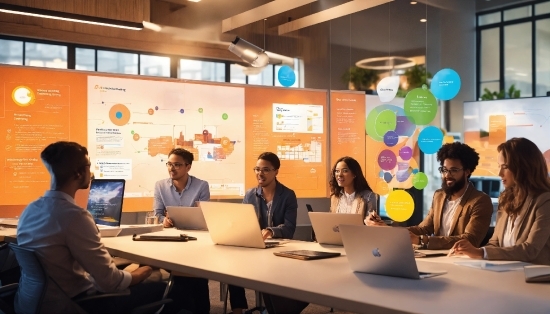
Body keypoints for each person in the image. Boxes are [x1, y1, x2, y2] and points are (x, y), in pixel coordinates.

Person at [16, 141, 165, 313]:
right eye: (89, 165)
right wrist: (142, 271)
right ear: (78, 173)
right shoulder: (74, 216)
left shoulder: (31, 209)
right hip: (74, 304)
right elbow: (110, 282)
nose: (92, 171)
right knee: (171, 286)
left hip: (32, 302)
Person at [367, 142, 493, 250]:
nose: (447, 175)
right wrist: (386, 228)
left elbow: (470, 239)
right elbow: (423, 228)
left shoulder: (480, 201)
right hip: (437, 258)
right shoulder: (439, 196)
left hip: (462, 261)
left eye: (453, 170)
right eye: (444, 170)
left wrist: (423, 241)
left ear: (467, 171)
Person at [450, 138, 550, 265]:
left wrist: (481, 253)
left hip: (534, 279)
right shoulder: (506, 200)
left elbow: (530, 250)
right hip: (507, 275)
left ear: (524, 167)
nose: (499, 173)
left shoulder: (545, 201)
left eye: (505, 167)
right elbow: (495, 243)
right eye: (499, 167)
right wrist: (474, 250)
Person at [228, 152, 307, 314]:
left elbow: (289, 228)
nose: (260, 173)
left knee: (272, 273)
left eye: (265, 169)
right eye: (257, 169)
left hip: (278, 249)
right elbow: (243, 222)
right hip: (255, 247)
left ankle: (273, 309)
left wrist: (271, 231)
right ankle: (238, 309)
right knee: (232, 264)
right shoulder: (250, 194)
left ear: (276, 171)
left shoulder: (287, 195)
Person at [153, 148, 211, 314]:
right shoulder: (160, 186)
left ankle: (197, 308)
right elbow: (157, 213)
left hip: (195, 240)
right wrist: (163, 219)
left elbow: (203, 216)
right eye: (169, 164)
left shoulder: (201, 186)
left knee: (196, 274)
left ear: (188, 167)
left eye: (177, 165)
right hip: (169, 239)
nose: (172, 168)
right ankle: (178, 305)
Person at [329, 156, 378, 223]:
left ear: (354, 174)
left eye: (345, 171)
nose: (339, 175)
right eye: (337, 171)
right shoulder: (335, 197)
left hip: (359, 233)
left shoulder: (369, 197)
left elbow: (370, 226)